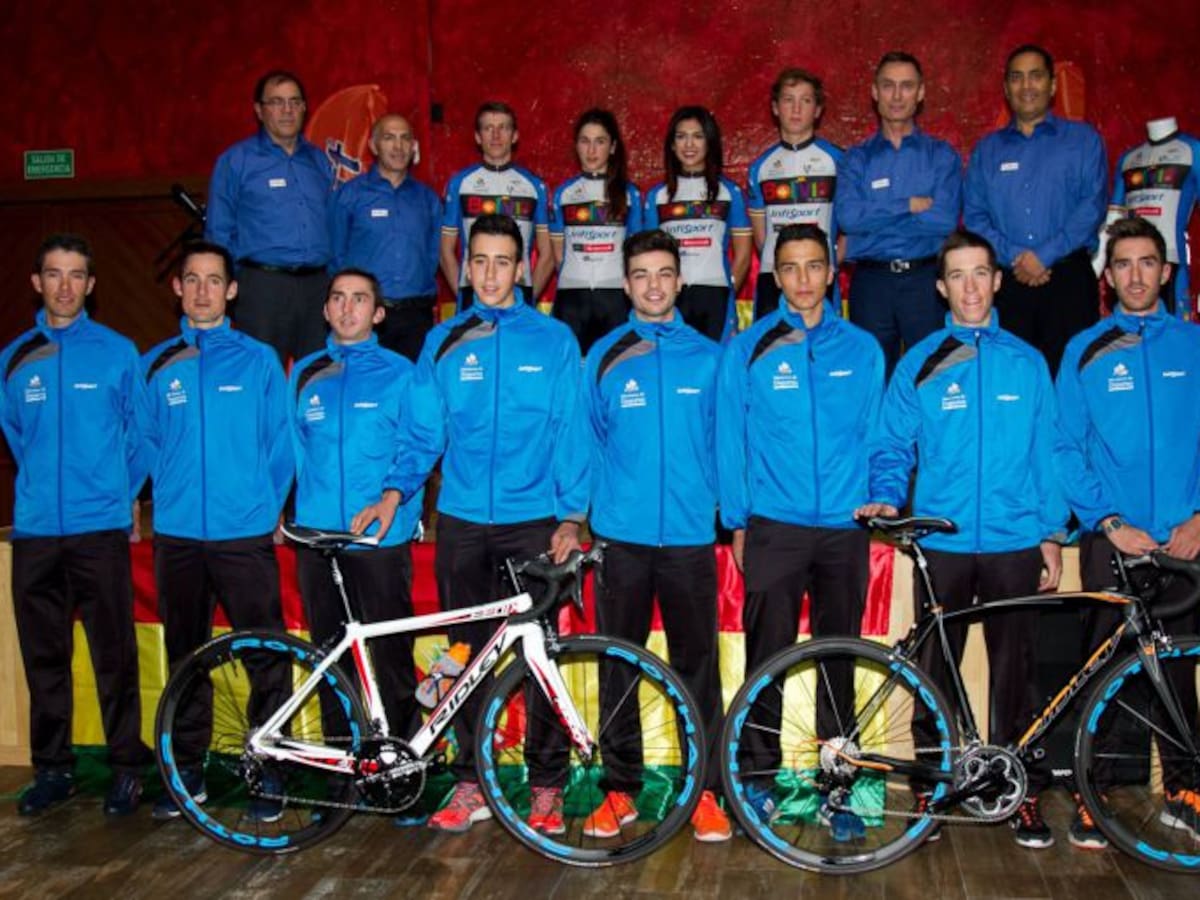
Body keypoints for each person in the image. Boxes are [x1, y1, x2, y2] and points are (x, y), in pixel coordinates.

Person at [353, 214, 586, 834]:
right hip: (460, 522)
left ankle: (545, 786)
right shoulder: (443, 340)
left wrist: (571, 515)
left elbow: (571, 432)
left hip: (533, 522)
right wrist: (393, 494)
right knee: (464, 657)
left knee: (538, 657)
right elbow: (421, 433)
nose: (488, 274)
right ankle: (470, 781)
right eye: (478, 260)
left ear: (523, 268)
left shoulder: (555, 341)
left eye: (502, 262)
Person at [858, 228, 1067, 848]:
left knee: (1016, 675)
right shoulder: (920, 361)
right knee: (934, 674)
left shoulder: (1027, 362)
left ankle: (1018, 790)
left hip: (1013, 540)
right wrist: (889, 495)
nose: (970, 288)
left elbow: (1048, 452)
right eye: (957, 276)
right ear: (941, 286)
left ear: (998, 281)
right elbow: (891, 445)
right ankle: (931, 789)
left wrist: (1051, 532)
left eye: (980, 274)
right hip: (942, 542)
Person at [717, 223, 884, 824]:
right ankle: (755, 781)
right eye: (790, 268)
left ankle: (837, 788)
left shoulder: (863, 349)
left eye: (814, 266)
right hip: (774, 526)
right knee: (768, 659)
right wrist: (737, 520)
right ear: (776, 275)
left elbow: (877, 436)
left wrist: (876, 500)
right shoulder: (748, 348)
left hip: (845, 527)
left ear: (831, 273)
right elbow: (730, 440)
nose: (803, 279)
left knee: (839, 661)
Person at [1055, 216, 1200, 849]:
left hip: (1185, 541)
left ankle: (1184, 794)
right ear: (1108, 277)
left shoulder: (1193, 345)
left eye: (1147, 263)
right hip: (1112, 539)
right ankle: (1096, 797)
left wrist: (1199, 519)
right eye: (1123, 264)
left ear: (1165, 273)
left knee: (1178, 674)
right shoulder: (1084, 349)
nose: (1136, 275)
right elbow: (1064, 446)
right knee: (1104, 669)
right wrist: (1109, 522)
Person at [582, 228, 729, 841]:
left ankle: (705, 792)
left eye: (664, 273)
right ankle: (619, 790)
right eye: (641, 275)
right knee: (619, 663)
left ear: (680, 281)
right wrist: (578, 516)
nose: (653, 285)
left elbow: (725, 446)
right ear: (625, 284)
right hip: (621, 537)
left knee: (697, 668)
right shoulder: (604, 356)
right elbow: (587, 445)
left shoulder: (710, 357)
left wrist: (733, 518)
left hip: (691, 537)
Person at [142, 241, 293, 821]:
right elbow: (145, 444)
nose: (202, 291)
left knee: (266, 656)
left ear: (231, 290)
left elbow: (281, 445)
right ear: (177, 288)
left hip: (243, 534)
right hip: (178, 536)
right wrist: (159, 500)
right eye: (192, 279)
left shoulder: (258, 360)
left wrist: (265, 507)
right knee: (187, 658)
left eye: (213, 281)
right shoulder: (155, 364)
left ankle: (269, 771)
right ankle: (187, 772)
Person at [1, 234, 149, 817]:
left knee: (114, 656)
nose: (65, 286)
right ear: (36, 282)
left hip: (99, 530)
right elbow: (17, 435)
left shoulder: (118, 352)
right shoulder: (14, 358)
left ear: (91, 284)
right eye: (54, 274)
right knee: (44, 658)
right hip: (36, 532)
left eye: (76, 275)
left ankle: (127, 769)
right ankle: (53, 769)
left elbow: (141, 437)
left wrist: (120, 493)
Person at [290, 268, 427, 822]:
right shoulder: (304, 372)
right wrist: (284, 513)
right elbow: (291, 451)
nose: (348, 308)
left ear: (379, 313)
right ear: (326, 309)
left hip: (379, 543)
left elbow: (420, 443)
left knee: (391, 664)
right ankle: (339, 781)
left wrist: (393, 501)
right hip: (318, 544)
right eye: (338, 299)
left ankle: (401, 779)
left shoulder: (402, 374)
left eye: (360, 299)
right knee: (331, 663)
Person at [964, 44, 1108, 376]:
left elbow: (1092, 205)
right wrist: (1017, 256)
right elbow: (975, 216)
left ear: (1053, 85)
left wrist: (1044, 255)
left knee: (1073, 379)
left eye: (1036, 76)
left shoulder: (1083, 140)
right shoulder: (987, 151)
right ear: (1006, 88)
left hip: (1069, 279)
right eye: (1016, 78)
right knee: (1012, 383)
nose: (1026, 86)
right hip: (1009, 283)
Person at [836, 51, 962, 376]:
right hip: (871, 284)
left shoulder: (941, 156)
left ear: (920, 93)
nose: (896, 95)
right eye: (888, 85)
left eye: (906, 86)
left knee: (932, 377)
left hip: (926, 282)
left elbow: (944, 220)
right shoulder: (856, 159)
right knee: (873, 378)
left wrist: (874, 221)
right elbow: (848, 218)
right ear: (874, 92)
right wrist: (907, 205)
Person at [206, 70, 335, 365]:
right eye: (277, 102)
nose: (287, 110)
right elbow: (219, 232)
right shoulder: (236, 161)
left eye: (294, 102)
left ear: (304, 108)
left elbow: (332, 225)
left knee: (318, 375)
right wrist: (229, 285)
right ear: (259, 110)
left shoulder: (319, 161)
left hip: (317, 288)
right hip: (262, 288)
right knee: (262, 375)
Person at [329, 114, 442, 362]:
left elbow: (434, 255)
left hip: (415, 317)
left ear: (413, 146)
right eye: (389, 138)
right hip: (365, 317)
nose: (398, 146)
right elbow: (336, 256)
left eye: (405, 138)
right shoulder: (350, 195)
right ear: (373, 145)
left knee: (413, 384)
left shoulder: (428, 199)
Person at [644, 106, 752, 341]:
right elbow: (649, 256)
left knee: (716, 361)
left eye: (698, 136)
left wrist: (727, 289)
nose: (689, 144)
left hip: (716, 295)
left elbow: (743, 255)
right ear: (672, 145)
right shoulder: (657, 197)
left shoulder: (730, 192)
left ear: (709, 142)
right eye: (681, 137)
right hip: (671, 296)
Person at [747, 69, 843, 320]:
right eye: (789, 100)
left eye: (806, 100)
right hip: (773, 274)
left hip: (820, 273)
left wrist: (831, 260)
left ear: (818, 110)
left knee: (823, 342)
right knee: (771, 342)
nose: (796, 109)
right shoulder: (760, 167)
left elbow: (852, 226)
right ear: (775, 108)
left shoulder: (838, 161)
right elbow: (761, 238)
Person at [439, 102, 553, 309]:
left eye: (503, 128)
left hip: (520, 293)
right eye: (488, 128)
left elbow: (548, 254)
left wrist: (528, 298)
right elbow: (445, 251)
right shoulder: (459, 184)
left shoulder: (535, 187)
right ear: (478, 137)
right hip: (472, 294)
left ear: (514, 136)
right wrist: (464, 293)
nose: (496, 135)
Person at [549, 109, 642, 353]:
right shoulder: (563, 194)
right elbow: (558, 256)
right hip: (572, 297)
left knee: (615, 367)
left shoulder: (630, 195)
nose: (591, 150)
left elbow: (637, 255)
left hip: (615, 299)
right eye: (585, 141)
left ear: (612, 147)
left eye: (599, 142)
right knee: (572, 369)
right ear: (576, 146)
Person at [1109, 117, 1200, 319]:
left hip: (1171, 261)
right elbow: (1113, 216)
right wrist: (1096, 267)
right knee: (1129, 331)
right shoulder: (1128, 159)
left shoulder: (1193, 151)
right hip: (1128, 262)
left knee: (1174, 331)